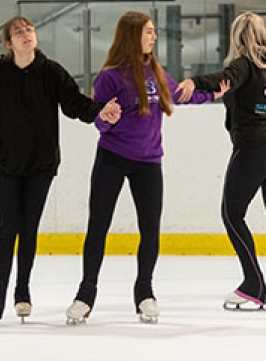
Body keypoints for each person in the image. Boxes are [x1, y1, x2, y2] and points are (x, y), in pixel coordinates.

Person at [0, 16, 121, 325]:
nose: (26, 34)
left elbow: (75, 105)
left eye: (29, 30)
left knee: (28, 229)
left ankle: (22, 292)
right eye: (18, 32)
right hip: (5, 164)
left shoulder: (52, 73)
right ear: (9, 43)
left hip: (41, 166)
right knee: (8, 229)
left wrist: (100, 111)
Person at [64, 11, 228, 324]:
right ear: (132, 35)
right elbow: (101, 122)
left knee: (150, 229)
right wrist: (104, 116)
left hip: (148, 162)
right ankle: (86, 295)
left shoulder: (153, 70)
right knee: (98, 226)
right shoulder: (110, 76)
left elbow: (178, 94)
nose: (154, 37)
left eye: (153, 32)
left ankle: (144, 293)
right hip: (112, 158)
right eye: (149, 32)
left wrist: (211, 94)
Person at [176, 12, 266, 309]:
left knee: (231, 213)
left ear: (236, 37)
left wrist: (194, 81)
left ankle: (254, 284)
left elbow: (224, 78)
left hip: (255, 146)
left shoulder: (243, 64)